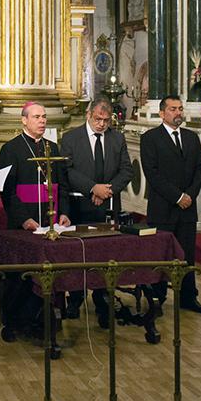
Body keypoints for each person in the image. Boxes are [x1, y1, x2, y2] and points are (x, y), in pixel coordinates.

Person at [0, 103, 71, 342]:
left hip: (50, 221)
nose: (42, 120)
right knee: (21, 276)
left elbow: (63, 186)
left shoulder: (52, 147)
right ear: (24, 121)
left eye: (44, 116)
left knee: (48, 272)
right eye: (37, 116)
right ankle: (13, 322)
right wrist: (24, 219)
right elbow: (8, 192)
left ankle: (42, 320)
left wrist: (64, 213)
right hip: (25, 222)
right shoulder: (11, 149)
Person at [61, 97, 133, 324]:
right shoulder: (71, 138)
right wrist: (93, 188)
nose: (102, 124)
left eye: (106, 120)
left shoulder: (117, 138)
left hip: (108, 207)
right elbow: (67, 171)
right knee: (76, 255)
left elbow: (126, 171)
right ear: (88, 115)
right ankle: (75, 297)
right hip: (80, 206)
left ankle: (103, 300)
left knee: (105, 255)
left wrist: (106, 191)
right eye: (97, 119)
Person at [140, 96, 201, 314]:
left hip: (188, 209)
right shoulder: (150, 138)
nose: (178, 112)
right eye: (172, 109)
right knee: (161, 255)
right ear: (162, 113)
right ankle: (157, 298)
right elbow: (152, 173)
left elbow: (200, 168)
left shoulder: (191, 138)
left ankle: (188, 297)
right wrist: (177, 197)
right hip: (163, 209)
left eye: (180, 109)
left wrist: (189, 195)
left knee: (187, 255)